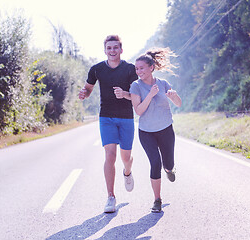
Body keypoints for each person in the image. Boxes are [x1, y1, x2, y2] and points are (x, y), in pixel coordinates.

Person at [78, 35, 138, 213]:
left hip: (127, 117)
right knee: (110, 155)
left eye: (115, 48)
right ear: (105, 50)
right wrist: (84, 94)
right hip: (106, 117)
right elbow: (88, 89)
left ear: (121, 49)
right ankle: (110, 197)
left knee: (126, 158)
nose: (112, 51)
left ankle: (127, 172)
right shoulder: (97, 69)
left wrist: (125, 94)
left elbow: (137, 94)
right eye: (109, 48)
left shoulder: (130, 69)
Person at [129, 48, 182, 213]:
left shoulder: (163, 83)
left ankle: (170, 169)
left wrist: (173, 96)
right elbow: (138, 111)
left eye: (142, 68)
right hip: (146, 132)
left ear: (151, 67)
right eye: (137, 69)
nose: (139, 72)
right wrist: (150, 95)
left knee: (168, 163)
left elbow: (179, 104)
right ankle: (157, 199)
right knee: (155, 163)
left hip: (165, 129)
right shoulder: (135, 86)